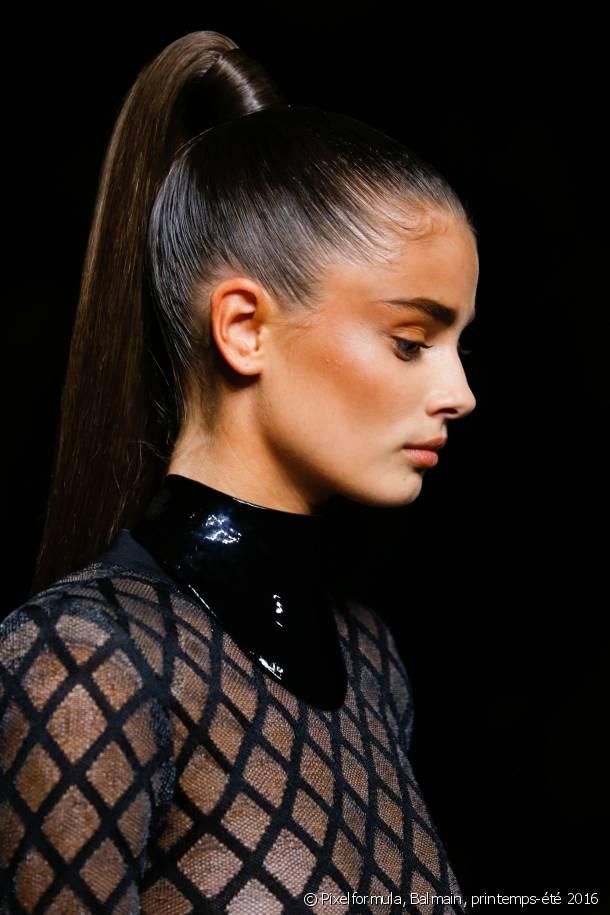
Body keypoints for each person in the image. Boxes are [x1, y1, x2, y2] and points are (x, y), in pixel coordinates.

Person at [0, 30, 478, 915]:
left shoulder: (370, 662)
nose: (460, 393)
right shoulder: (86, 662)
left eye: (459, 345)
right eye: (412, 341)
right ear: (245, 328)